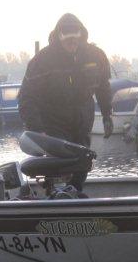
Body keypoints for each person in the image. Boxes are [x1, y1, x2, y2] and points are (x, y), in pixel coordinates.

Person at [18, 13, 113, 191]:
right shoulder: (42, 60)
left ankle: (75, 192)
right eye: (68, 40)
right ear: (59, 37)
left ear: (81, 36)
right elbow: (26, 97)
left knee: (84, 160)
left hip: (83, 119)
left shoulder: (96, 55)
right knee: (62, 163)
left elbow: (103, 87)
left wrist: (107, 115)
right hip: (53, 121)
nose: (72, 44)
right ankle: (54, 192)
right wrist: (37, 129)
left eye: (75, 40)